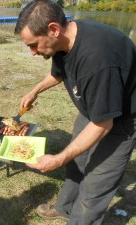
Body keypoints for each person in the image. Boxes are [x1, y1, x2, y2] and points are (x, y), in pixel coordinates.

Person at [13, 0, 136, 224]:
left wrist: (57, 159)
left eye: (33, 45)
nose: (32, 52)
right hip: (94, 109)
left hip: (123, 118)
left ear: (53, 29)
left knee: (95, 187)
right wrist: (35, 90)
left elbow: (103, 124)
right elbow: (59, 73)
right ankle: (64, 207)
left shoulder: (98, 59)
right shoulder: (63, 40)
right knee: (77, 161)